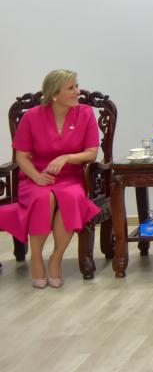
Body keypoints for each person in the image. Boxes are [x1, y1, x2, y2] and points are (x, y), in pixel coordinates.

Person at [0, 69, 100, 289]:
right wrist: (36, 177)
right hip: (36, 177)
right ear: (54, 94)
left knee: (71, 197)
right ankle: (36, 258)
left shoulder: (85, 114)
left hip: (70, 178)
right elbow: (21, 156)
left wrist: (66, 157)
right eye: (71, 88)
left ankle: (56, 259)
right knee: (43, 198)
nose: (78, 91)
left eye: (77, 86)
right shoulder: (32, 117)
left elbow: (92, 153)